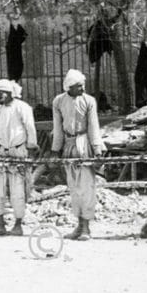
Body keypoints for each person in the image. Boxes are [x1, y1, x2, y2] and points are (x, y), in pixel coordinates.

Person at [51, 68, 105, 241]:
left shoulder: (89, 101)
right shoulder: (58, 102)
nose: (82, 89)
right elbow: (57, 128)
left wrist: (97, 150)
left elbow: (93, 126)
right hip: (68, 146)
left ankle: (86, 228)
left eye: (83, 85)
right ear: (69, 87)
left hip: (84, 145)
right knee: (73, 187)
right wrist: (55, 150)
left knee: (86, 187)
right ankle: (79, 224)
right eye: (78, 86)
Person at [0, 79, 36, 237]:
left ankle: (18, 225)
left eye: (1, 93)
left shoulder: (23, 107)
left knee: (17, 190)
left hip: (18, 151)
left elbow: (30, 128)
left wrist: (31, 148)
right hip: (2, 152)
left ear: (10, 93)